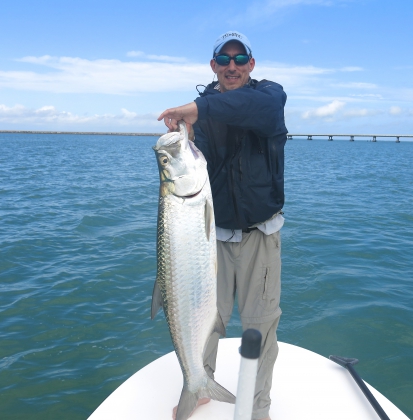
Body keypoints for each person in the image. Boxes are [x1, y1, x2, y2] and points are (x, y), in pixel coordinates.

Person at [158, 30, 287, 420]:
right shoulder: (204, 109)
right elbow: (196, 171)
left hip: (259, 238)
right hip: (208, 237)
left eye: (239, 58)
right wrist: (186, 138)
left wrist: (199, 110)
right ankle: (197, 385)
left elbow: (253, 109)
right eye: (224, 59)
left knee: (261, 326)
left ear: (251, 64)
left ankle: (257, 406)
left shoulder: (269, 97)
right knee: (201, 318)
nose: (232, 66)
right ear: (213, 66)